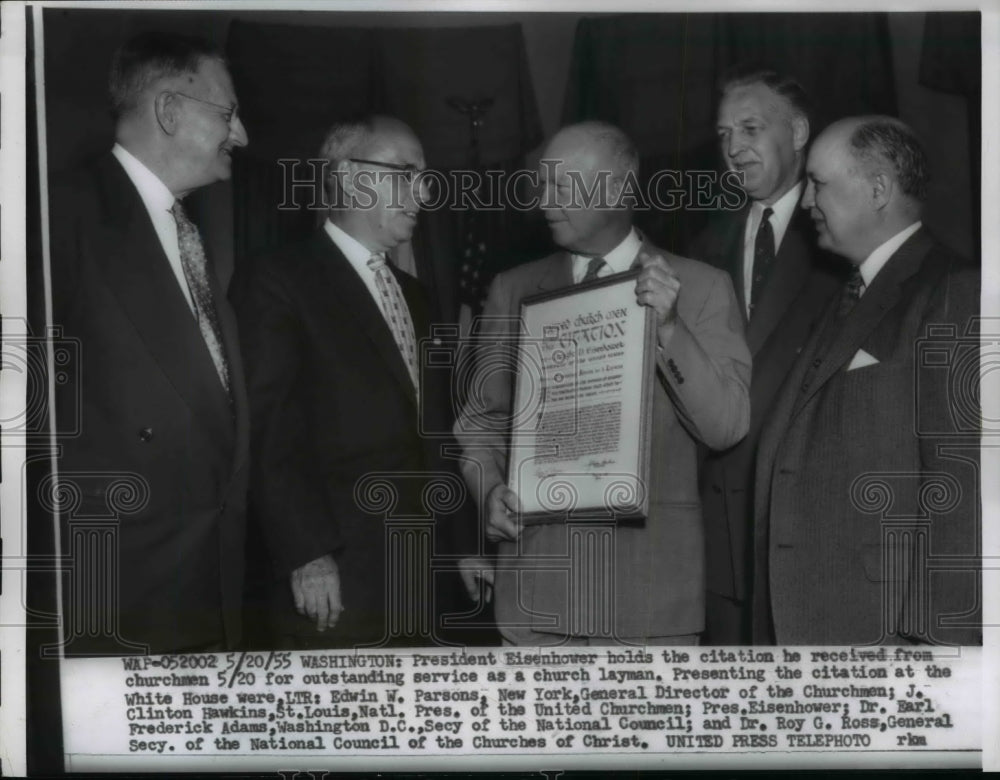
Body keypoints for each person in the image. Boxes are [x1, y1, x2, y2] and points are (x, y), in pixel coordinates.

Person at [456, 121, 751, 646]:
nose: (542, 200)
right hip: (536, 598)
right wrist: (488, 493)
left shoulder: (701, 288)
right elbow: (480, 427)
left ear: (617, 191)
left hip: (649, 599)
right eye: (540, 184)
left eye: (561, 186)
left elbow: (727, 425)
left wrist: (668, 328)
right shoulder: (513, 288)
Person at [49, 31, 250, 654]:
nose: (241, 136)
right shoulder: (54, 217)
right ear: (169, 111)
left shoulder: (186, 232)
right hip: (117, 595)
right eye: (228, 114)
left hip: (203, 586)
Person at [237, 116, 471, 649]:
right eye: (405, 172)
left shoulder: (418, 296)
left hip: (422, 581)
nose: (424, 192)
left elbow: (435, 434)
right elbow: (267, 431)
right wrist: (306, 553)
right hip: (333, 579)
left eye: (426, 176)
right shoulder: (277, 279)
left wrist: (462, 545)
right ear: (347, 177)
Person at [753, 116, 981, 645]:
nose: (806, 200)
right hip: (820, 619)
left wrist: (934, 646)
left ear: (878, 189)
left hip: (889, 633)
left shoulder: (954, 289)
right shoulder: (846, 292)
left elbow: (962, 485)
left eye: (819, 183)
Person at [689, 67, 844, 644]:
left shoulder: (844, 237)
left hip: (811, 529)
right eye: (724, 133)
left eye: (750, 128)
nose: (733, 149)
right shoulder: (705, 246)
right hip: (720, 537)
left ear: (799, 131)